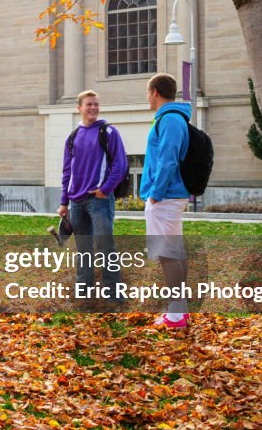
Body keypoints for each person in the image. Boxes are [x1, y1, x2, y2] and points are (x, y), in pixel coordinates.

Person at [57, 90, 129, 306]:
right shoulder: (72, 137)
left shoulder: (109, 132)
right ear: (79, 107)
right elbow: (67, 170)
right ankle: (84, 294)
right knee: (83, 250)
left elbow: (121, 164)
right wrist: (63, 201)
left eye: (96, 104)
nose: (93, 108)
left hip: (99, 201)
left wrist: (105, 189)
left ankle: (113, 295)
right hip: (76, 202)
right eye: (89, 104)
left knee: (105, 247)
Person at [140, 74, 192, 328]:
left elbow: (168, 160)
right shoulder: (171, 118)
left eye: (148, 92)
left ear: (156, 92)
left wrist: (155, 194)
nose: (147, 97)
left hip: (166, 196)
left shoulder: (170, 119)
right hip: (170, 195)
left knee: (167, 254)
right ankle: (179, 310)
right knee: (174, 252)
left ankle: (175, 314)